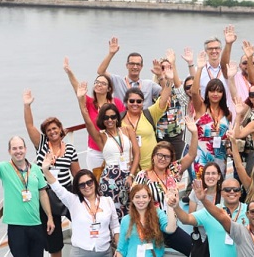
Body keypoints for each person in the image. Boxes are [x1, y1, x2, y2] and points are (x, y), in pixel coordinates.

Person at [0, 129, 54, 257]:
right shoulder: (4, 168)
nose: (18, 151)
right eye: (14, 148)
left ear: (26, 149)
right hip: (17, 227)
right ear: (9, 151)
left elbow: (43, 194)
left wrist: (49, 217)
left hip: (36, 224)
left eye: (21, 148)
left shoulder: (36, 169)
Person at [22, 89, 80, 257]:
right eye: (48, 130)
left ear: (61, 129)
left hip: (66, 192)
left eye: (55, 128)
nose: (52, 132)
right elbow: (29, 126)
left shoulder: (69, 149)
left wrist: (86, 192)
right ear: (45, 134)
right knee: (52, 237)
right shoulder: (41, 145)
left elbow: (76, 173)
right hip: (46, 195)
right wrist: (27, 106)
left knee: (82, 219)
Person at [133, 126, 199, 255]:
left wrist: (194, 133)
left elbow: (191, 154)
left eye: (167, 157)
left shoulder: (173, 171)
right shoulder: (143, 176)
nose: (163, 159)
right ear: (153, 157)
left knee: (195, 250)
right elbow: (133, 199)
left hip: (171, 226)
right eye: (160, 155)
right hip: (151, 226)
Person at [77, 83, 140, 219]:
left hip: (130, 174)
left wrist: (131, 175)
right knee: (114, 214)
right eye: (106, 117)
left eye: (112, 117)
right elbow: (87, 121)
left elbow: (137, 154)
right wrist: (81, 100)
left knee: (136, 209)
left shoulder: (127, 130)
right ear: (102, 120)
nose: (110, 120)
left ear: (117, 117)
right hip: (111, 179)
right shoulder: (101, 136)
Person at [41, 161, 119, 257]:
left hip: (105, 252)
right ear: (78, 188)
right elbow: (57, 188)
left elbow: (115, 227)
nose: (86, 186)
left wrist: (119, 249)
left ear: (94, 182)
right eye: (82, 185)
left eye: (89, 182)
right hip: (80, 253)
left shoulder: (108, 201)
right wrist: (45, 170)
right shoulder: (73, 201)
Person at [64, 57, 126, 171]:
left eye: (103, 83)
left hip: (114, 148)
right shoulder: (89, 102)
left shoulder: (116, 103)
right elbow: (77, 89)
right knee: (96, 180)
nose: (99, 85)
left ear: (109, 88)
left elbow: (123, 124)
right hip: (95, 151)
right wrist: (69, 72)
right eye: (97, 82)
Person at [174, 177, 248, 257]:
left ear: (240, 193)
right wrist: (176, 206)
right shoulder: (211, 211)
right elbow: (186, 219)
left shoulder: (251, 211)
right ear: (222, 193)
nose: (232, 192)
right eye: (227, 189)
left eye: (236, 189)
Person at [121, 66, 173, 170]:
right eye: (132, 101)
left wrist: (169, 80)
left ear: (143, 103)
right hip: (128, 169)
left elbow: (163, 99)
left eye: (139, 101)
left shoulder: (149, 114)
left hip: (150, 168)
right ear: (126, 102)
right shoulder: (119, 119)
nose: (135, 104)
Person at [96, 37, 161, 108]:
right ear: (127, 65)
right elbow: (100, 72)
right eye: (132, 64)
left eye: (138, 64)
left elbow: (165, 94)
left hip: (143, 117)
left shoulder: (149, 84)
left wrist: (160, 76)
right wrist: (111, 54)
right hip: (122, 117)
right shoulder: (118, 81)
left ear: (141, 66)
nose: (135, 67)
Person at [116, 183, 178, 257]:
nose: (141, 200)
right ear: (132, 199)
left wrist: (170, 206)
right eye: (137, 197)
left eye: (144, 197)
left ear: (149, 199)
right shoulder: (126, 220)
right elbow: (121, 249)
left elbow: (171, 229)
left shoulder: (158, 213)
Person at [152, 50, 189, 159]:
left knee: (178, 164)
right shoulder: (153, 88)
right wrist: (161, 76)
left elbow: (181, 95)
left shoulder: (178, 86)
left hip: (176, 133)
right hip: (160, 134)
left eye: (169, 67)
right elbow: (165, 94)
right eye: (163, 67)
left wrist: (173, 64)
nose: (166, 70)